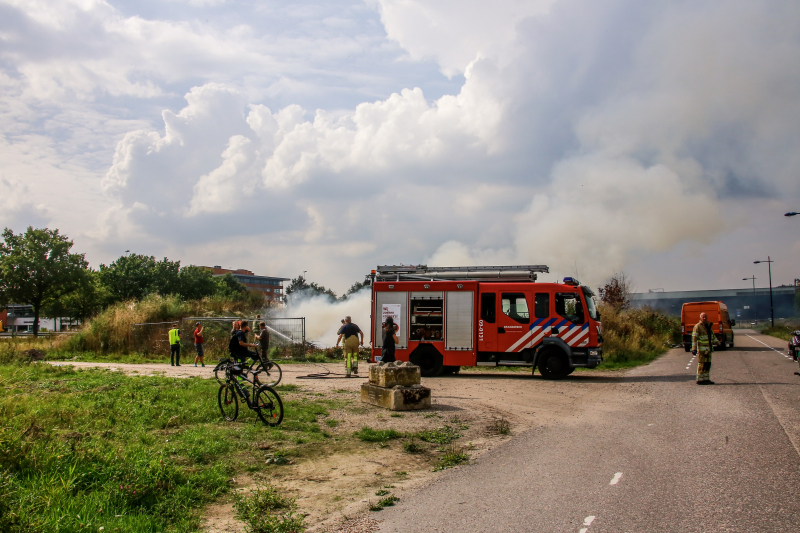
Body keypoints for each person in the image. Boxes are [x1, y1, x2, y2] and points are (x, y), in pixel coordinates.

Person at [692, 312, 719, 385]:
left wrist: (718, 343)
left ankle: (706, 379)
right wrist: (694, 349)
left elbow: (712, 336)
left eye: (705, 317)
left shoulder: (708, 326)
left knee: (707, 365)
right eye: (703, 317)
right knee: (702, 365)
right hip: (702, 350)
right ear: (700, 318)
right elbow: (694, 338)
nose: (704, 318)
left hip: (708, 350)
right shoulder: (697, 326)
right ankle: (700, 380)